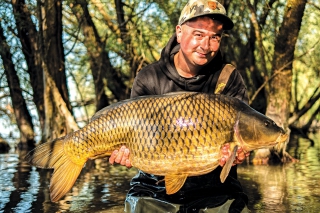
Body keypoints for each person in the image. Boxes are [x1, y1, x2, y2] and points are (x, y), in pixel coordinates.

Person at [110, 0, 250, 212]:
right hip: (154, 187)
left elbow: (241, 138)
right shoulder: (149, 78)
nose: (206, 45)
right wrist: (125, 152)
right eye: (198, 34)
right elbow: (131, 137)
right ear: (179, 32)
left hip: (215, 190)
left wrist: (238, 153)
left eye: (215, 37)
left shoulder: (228, 77)